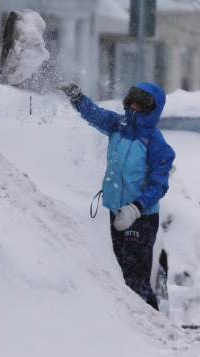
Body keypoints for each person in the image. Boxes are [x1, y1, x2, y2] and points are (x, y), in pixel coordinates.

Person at [58, 81, 175, 310]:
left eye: (139, 104)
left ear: (150, 109)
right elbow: (96, 115)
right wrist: (78, 99)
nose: (132, 107)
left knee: (134, 279)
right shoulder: (118, 125)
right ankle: (154, 321)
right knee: (123, 273)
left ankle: (140, 328)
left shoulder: (156, 143)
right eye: (130, 101)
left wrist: (135, 208)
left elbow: (159, 184)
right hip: (116, 213)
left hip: (141, 218)